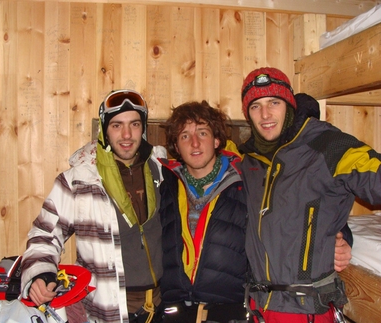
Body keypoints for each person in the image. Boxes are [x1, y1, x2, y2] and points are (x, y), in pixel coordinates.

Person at [238, 67, 381, 322]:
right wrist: (340, 232)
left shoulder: (326, 145)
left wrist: (340, 234)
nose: (265, 114)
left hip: (304, 309)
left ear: (289, 106)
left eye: (274, 102)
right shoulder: (249, 161)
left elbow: (372, 174)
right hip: (258, 306)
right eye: (255, 106)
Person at [20, 89, 167, 323]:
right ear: (104, 130)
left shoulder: (161, 172)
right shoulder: (79, 181)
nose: (127, 134)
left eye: (135, 124)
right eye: (117, 125)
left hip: (163, 307)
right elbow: (44, 235)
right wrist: (40, 273)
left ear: (144, 128)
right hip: (108, 311)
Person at [158, 101, 249, 323]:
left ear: (216, 140)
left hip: (228, 313)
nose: (195, 143)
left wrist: (339, 232)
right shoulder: (165, 186)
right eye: (185, 136)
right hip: (175, 313)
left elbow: (289, 213)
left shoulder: (246, 183)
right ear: (176, 147)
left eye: (202, 133)